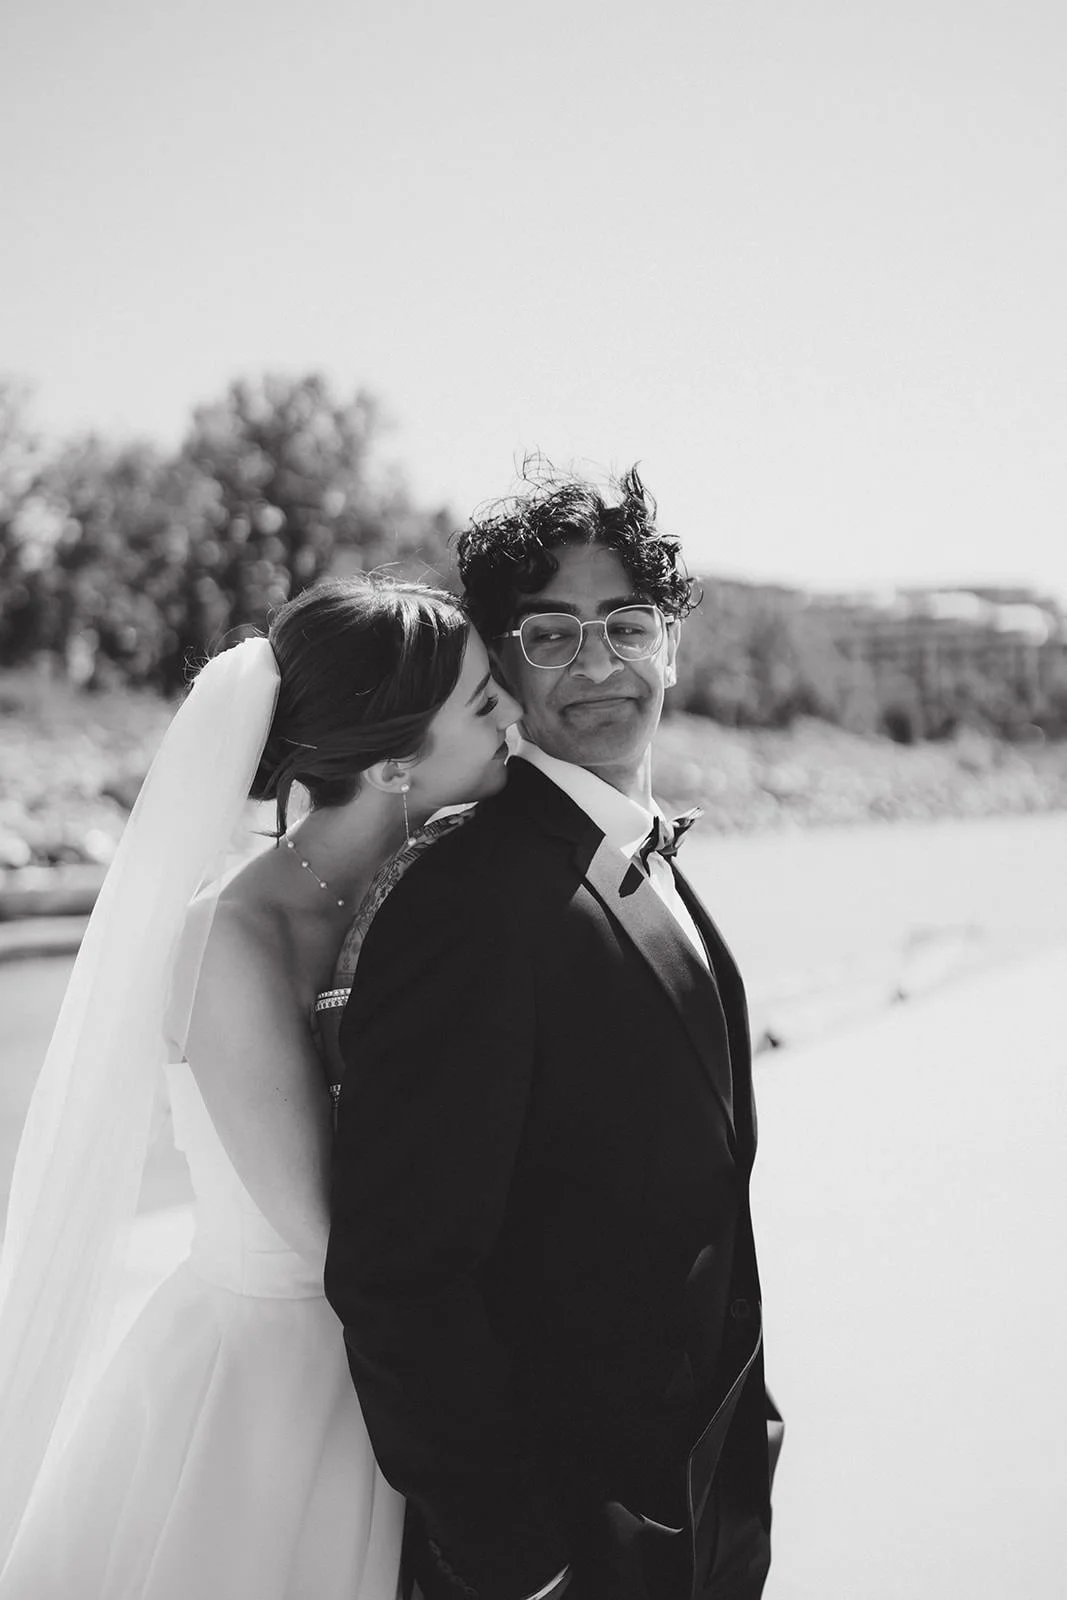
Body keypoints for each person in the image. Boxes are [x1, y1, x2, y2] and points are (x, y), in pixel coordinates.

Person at [0, 576, 519, 1600]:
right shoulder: (231, 937)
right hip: (275, 1394)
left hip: (385, 1363)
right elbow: (323, 1237)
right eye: (481, 701)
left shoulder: (419, 892)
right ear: (388, 761)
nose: (512, 712)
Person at [324, 467, 783, 1600]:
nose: (597, 664)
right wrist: (519, 1566)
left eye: (628, 625)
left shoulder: (639, 858)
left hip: (702, 1511)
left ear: (670, 640)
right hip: (570, 1551)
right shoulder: (467, 903)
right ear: (499, 655)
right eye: (551, 632)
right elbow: (398, 1278)